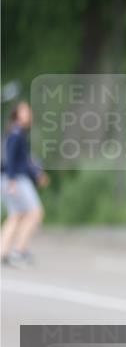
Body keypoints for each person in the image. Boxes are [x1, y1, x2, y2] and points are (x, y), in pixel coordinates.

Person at [1, 101, 47, 267]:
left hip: (9, 179)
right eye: (25, 111)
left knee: (15, 216)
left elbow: (25, 160)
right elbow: (11, 159)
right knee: (35, 213)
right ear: (17, 114)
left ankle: (4, 251)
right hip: (17, 180)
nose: (29, 114)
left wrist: (37, 173)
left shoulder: (15, 132)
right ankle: (19, 251)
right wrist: (12, 180)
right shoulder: (16, 133)